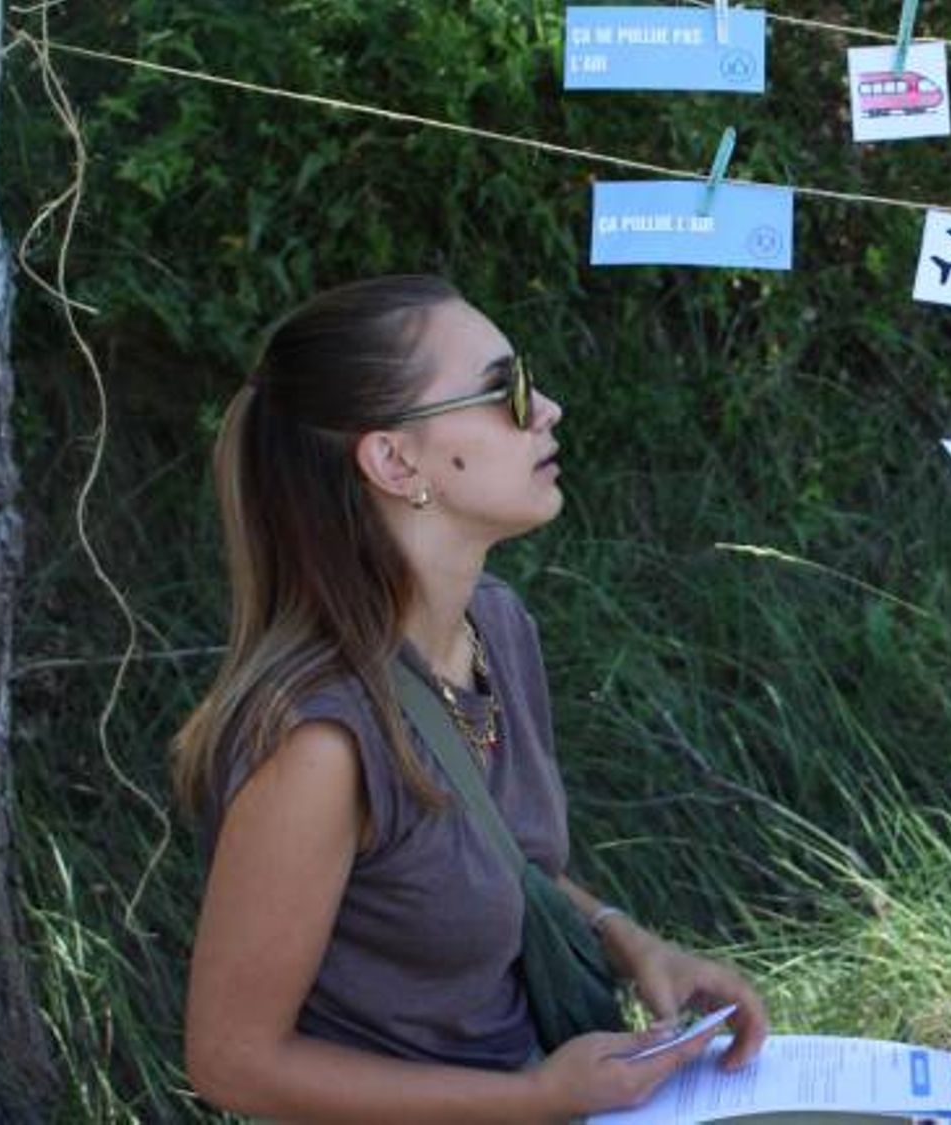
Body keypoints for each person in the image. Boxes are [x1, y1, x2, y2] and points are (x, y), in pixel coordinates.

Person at [173, 275, 768, 1121]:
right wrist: (532, 1096)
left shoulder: (496, 626)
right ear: (395, 461)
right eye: (504, 390)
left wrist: (633, 942)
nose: (547, 408)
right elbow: (233, 1060)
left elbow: (503, 869)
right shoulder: (317, 743)